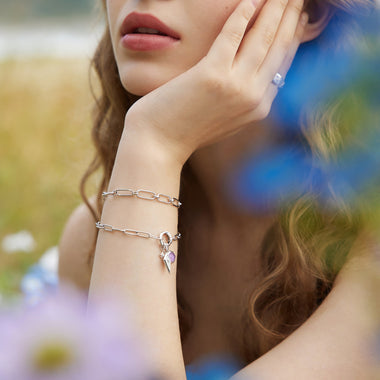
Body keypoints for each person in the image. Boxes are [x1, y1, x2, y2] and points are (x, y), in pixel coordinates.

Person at [58, 0, 380, 378]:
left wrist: (154, 145)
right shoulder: (94, 239)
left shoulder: (368, 233)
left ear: (311, 13)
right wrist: (150, 152)